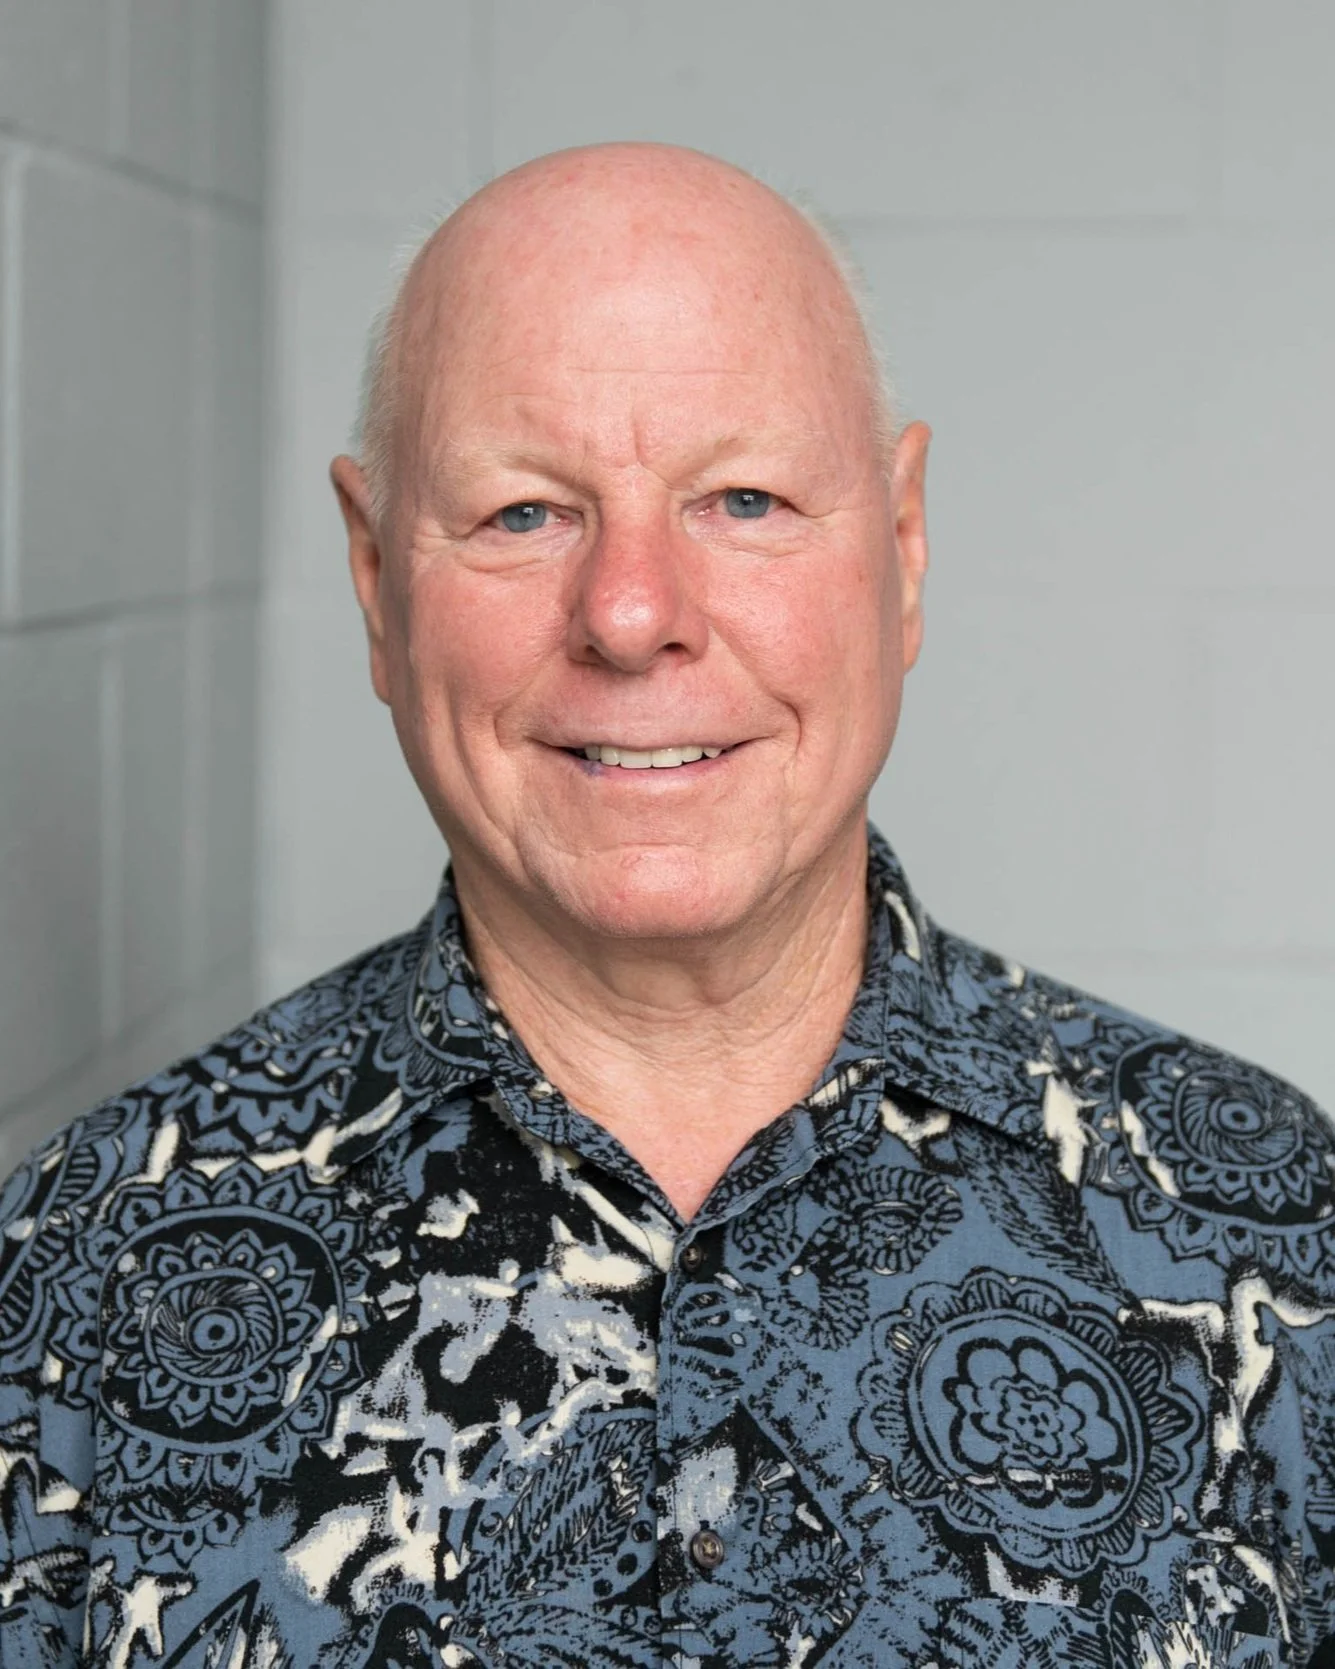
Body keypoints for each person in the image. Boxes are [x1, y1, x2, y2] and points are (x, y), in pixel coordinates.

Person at [1, 142, 1331, 1669]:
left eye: (743, 498)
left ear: (901, 548)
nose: (631, 614)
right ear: (375, 576)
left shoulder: (1268, 1228)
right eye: (521, 513)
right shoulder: (81, 1265)